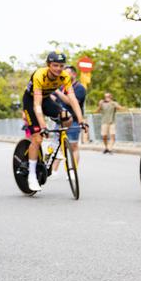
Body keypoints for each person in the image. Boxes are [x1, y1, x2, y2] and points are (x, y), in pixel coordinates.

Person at [22, 51, 87, 192]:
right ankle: (31, 175)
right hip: (32, 101)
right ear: (48, 65)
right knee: (37, 139)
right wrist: (43, 126)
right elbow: (37, 105)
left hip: (46, 99)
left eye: (61, 65)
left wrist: (81, 120)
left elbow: (73, 99)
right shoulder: (40, 74)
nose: (58, 68)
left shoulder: (64, 76)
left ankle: (56, 143)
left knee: (67, 117)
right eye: (55, 65)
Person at [49, 65, 86, 178]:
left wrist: (58, 93)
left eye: (67, 73)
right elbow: (53, 98)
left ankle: (72, 170)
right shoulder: (61, 86)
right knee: (58, 145)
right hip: (60, 120)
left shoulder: (79, 88)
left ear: (74, 74)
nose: (63, 75)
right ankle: (53, 170)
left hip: (74, 120)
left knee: (73, 146)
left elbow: (71, 102)